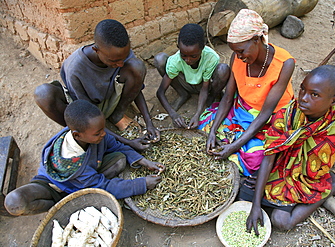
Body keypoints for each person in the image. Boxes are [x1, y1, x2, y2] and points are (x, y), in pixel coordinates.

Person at [242, 65, 335, 234]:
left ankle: (333, 185)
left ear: (334, 100)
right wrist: (256, 205)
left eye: (314, 94)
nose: (303, 98)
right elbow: (270, 156)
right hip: (281, 168)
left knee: (281, 222)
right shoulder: (288, 114)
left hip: (309, 176)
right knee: (244, 195)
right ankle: (321, 191)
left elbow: (315, 170)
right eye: (302, 90)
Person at [4, 100, 165, 216]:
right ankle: (64, 201)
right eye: (98, 133)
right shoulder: (74, 164)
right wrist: (142, 183)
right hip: (52, 182)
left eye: (103, 129)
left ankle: (73, 198)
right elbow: (105, 187)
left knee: (120, 158)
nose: (104, 133)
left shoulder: (90, 134)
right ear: (76, 135)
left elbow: (116, 145)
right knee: (17, 201)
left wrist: (143, 162)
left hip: (83, 177)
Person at [34, 19, 159, 151]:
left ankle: (117, 115)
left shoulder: (118, 53)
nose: (121, 64)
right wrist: (128, 142)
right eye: (115, 61)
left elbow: (136, 87)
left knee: (137, 66)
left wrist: (149, 123)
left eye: (124, 58)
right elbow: (85, 112)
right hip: (87, 107)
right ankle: (84, 135)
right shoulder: (75, 68)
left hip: (110, 97)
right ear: (96, 50)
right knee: (43, 94)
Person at [198, 9, 295, 176]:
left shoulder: (284, 64)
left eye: (241, 51)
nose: (239, 57)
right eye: (235, 52)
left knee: (255, 158)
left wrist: (233, 147)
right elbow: (228, 98)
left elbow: (265, 114)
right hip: (242, 108)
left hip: (271, 118)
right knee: (205, 126)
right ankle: (230, 141)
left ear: (257, 40)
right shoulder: (237, 58)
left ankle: (236, 146)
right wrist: (213, 130)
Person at [154, 23, 230, 129]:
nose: (188, 60)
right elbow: (160, 92)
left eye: (193, 56)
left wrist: (197, 114)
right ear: (178, 47)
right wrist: (173, 114)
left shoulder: (211, 57)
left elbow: (204, 88)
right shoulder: (175, 60)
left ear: (202, 49)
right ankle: (183, 93)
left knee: (223, 70)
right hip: (185, 83)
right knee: (160, 59)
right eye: (183, 55)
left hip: (204, 86)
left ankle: (211, 97)